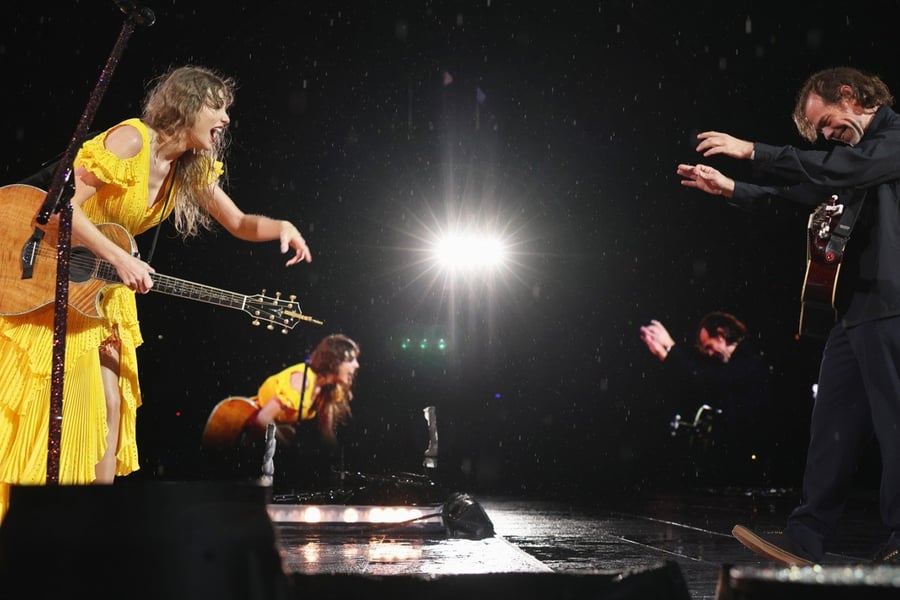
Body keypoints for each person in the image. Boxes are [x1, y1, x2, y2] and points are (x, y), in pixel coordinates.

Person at [0, 65, 313, 523]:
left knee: (111, 407)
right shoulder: (130, 140)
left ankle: (96, 524)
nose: (226, 119)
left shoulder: (188, 169)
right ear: (187, 104)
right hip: (52, 276)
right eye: (217, 106)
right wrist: (120, 256)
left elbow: (239, 222)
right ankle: (38, 520)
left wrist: (281, 226)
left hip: (102, 290)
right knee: (59, 410)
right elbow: (60, 206)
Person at [677, 66, 900, 565]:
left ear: (850, 94)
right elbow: (800, 193)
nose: (826, 135)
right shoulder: (850, 159)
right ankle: (806, 537)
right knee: (831, 429)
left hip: (892, 304)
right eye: (819, 131)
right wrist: (731, 188)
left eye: (826, 122)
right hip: (851, 310)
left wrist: (752, 150)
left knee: (894, 425)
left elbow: (837, 170)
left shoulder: (892, 139)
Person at [201, 334, 361, 491]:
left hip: (262, 440)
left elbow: (327, 434)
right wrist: (288, 449)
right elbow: (262, 419)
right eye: (351, 360)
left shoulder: (328, 389)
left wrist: (335, 463)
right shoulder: (302, 381)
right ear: (334, 361)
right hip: (237, 425)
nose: (357, 365)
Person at [640, 312, 774, 485]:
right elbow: (700, 379)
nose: (709, 353)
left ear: (721, 335)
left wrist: (671, 347)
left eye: (709, 346)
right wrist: (665, 356)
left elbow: (708, 378)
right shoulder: (735, 361)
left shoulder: (748, 356)